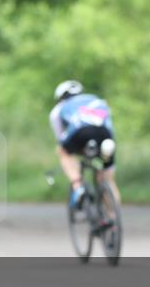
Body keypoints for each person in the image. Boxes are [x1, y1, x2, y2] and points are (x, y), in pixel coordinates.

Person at [49, 80, 122, 211]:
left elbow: (60, 137)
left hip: (79, 133)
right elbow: (109, 126)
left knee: (63, 151)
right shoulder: (97, 100)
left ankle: (78, 187)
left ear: (60, 97)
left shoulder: (59, 108)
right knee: (108, 180)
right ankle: (113, 217)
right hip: (104, 135)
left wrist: (69, 149)